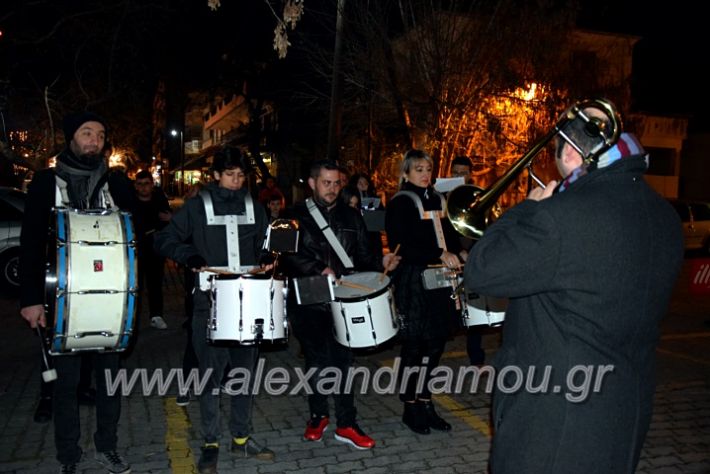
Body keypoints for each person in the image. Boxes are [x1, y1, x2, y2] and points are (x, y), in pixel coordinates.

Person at [464, 104, 684, 473]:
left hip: (552, 426)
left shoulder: (557, 218)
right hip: (623, 414)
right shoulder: (665, 216)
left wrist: (526, 210)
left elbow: (481, 271)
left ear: (568, 151)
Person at [20, 111, 134, 474]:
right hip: (62, 302)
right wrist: (30, 300)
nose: (94, 141)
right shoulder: (44, 182)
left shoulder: (115, 183)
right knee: (65, 386)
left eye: (100, 135)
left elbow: (134, 232)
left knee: (109, 384)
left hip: (110, 303)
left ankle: (108, 446)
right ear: (71, 138)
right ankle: (69, 455)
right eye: (86, 133)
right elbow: (31, 244)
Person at [154, 147, 274, 473]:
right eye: (230, 174)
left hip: (248, 301)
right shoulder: (196, 207)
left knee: (244, 375)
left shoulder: (256, 207)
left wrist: (266, 255)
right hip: (209, 302)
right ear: (216, 175)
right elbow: (162, 239)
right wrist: (188, 255)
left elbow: (268, 241)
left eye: (241, 175)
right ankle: (210, 442)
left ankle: (241, 437)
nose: (236, 181)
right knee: (210, 377)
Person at [282, 159, 400, 450]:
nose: (332, 189)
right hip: (308, 299)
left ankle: (346, 423)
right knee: (316, 361)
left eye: (337, 183)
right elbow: (280, 254)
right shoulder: (290, 215)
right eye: (326, 183)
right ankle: (318, 415)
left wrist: (381, 262)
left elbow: (363, 257)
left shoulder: (352, 216)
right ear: (311, 183)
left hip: (344, 300)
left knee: (344, 363)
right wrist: (316, 267)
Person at [385, 149, 466, 435]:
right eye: (418, 169)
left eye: (428, 168)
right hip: (415, 279)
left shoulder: (438, 198)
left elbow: (451, 233)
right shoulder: (400, 202)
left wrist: (460, 251)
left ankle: (425, 399)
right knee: (415, 345)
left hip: (441, 279)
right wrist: (439, 252)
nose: (425, 173)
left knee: (436, 343)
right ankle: (410, 405)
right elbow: (401, 244)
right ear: (406, 173)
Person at [446, 155, 485, 365]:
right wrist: (456, 249)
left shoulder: (476, 195)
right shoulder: (442, 196)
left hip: (473, 253)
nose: (459, 176)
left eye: (463, 173)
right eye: (455, 172)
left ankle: (476, 356)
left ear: (470, 174)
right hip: (453, 255)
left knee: (474, 304)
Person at [132, 170, 172, 330]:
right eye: (140, 184)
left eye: (146, 184)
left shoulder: (159, 201)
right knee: (136, 285)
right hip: (136, 250)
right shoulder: (131, 203)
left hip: (155, 250)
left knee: (155, 283)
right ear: (135, 186)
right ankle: (133, 317)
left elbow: (167, 222)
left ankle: (156, 315)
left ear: (151, 185)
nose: (143, 188)